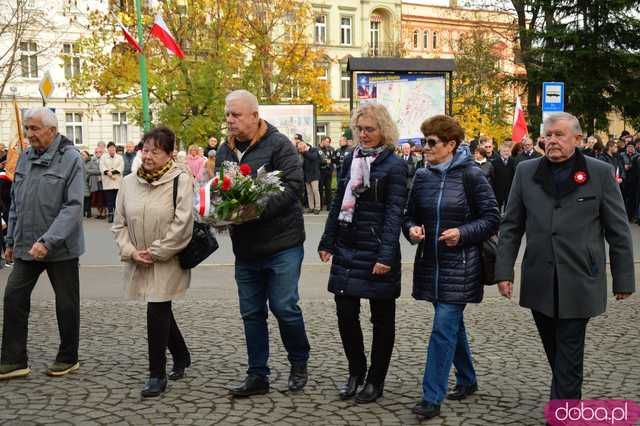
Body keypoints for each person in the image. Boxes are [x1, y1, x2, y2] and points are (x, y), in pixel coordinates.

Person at [495, 112, 635, 402]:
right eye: (548, 135)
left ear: (578, 139)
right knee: (554, 347)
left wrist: (623, 279)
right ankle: (566, 397)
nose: (552, 141)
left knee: (569, 347)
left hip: (580, 276)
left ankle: (564, 411)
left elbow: (618, 230)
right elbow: (511, 226)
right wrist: (504, 272)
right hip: (539, 277)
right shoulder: (526, 171)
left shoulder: (599, 172)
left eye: (559, 135)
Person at [404, 115, 500, 419]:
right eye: (423, 142)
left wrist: (462, 233)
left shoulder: (472, 175)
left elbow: (492, 218)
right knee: (451, 326)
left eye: (431, 142)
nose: (425, 148)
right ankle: (468, 379)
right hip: (430, 264)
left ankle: (431, 397)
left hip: (462, 265)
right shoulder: (422, 176)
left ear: (451, 145)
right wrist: (412, 230)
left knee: (442, 329)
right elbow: (409, 215)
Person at [215, 90, 310, 396]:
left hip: (283, 243)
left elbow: (294, 186)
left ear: (255, 116)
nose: (230, 120)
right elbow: (221, 189)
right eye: (228, 114)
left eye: (236, 115)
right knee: (252, 313)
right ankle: (258, 375)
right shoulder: (224, 150)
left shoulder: (279, 144)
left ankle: (298, 362)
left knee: (284, 306)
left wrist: (255, 209)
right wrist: (219, 210)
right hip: (246, 247)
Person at [318, 103, 408, 404]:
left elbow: (395, 213)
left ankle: (375, 379)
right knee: (346, 314)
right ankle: (355, 370)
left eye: (370, 129)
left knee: (381, 319)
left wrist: (384, 256)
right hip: (347, 246)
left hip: (377, 250)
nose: (364, 134)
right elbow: (337, 203)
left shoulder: (394, 165)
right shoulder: (350, 158)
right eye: (360, 129)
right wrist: (327, 241)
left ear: (384, 130)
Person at [0, 107, 85, 380]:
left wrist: (48, 241)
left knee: (66, 304)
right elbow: (17, 202)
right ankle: (14, 359)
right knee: (14, 295)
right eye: (27, 128)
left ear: (51, 129)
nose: (29, 134)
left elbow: (73, 207)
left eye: (35, 129)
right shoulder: (24, 158)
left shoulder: (71, 159)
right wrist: (11, 239)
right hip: (26, 245)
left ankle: (68, 357)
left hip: (59, 248)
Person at [100, 142, 124, 223]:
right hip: (107, 181)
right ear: (108, 149)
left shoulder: (120, 157)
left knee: (117, 199)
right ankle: (110, 214)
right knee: (109, 199)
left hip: (117, 180)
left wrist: (112, 173)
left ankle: (117, 215)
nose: (111, 150)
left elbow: (121, 167)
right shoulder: (103, 157)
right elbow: (102, 167)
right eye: (110, 149)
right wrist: (108, 173)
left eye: (113, 149)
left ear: (115, 149)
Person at [297, 136, 322, 214]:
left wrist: (304, 152)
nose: (300, 150)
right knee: (309, 193)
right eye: (299, 149)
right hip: (307, 175)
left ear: (305, 146)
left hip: (314, 175)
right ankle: (311, 207)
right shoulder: (302, 153)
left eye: (301, 149)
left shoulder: (314, 150)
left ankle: (317, 208)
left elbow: (313, 157)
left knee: (315, 191)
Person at [492, 142, 516, 212]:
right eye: (504, 151)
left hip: (509, 188)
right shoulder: (494, 162)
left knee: (508, 207)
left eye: (508, 151)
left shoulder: (513, 161)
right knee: (498, 207)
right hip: (498, 189)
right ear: (500, 152)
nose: (506, 153)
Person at [88, 146, 106, 219]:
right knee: (96, 198)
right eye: (96, 152)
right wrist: (100, 172)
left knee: (103, 198)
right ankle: (99, 213)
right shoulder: (92, 160)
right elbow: (88, 170)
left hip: (103, 181)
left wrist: (98, 171)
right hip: (95, 182)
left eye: (100, 152)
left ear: (102, 153)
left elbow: (104, 170)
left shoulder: (105, 159)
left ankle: (104, 213)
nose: (98, 153)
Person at [318, 136, 335, 211]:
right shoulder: (316, 149)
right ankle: (320, 205)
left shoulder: (331, 149)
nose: (328, 143)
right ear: (322, 141)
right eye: (327, 142)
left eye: (329, 142)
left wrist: (331, 164)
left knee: (328, 189)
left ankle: (329, 205)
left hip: (328, 171)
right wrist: (324, 161)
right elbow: (316, 161)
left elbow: (333, 159)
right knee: (320, 189)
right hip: (320, 172)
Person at [80, 151, 92, 218]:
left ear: (87, 156)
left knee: (87, 198)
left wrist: (86, 171)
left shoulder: (91, 162)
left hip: (88, 182)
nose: (82, 156)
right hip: (80, 182)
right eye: (81, 154)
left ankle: (88, 212)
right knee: (82, 198)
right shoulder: (78, 161)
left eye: (83, 155)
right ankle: (83, 212)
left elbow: (97, 171)